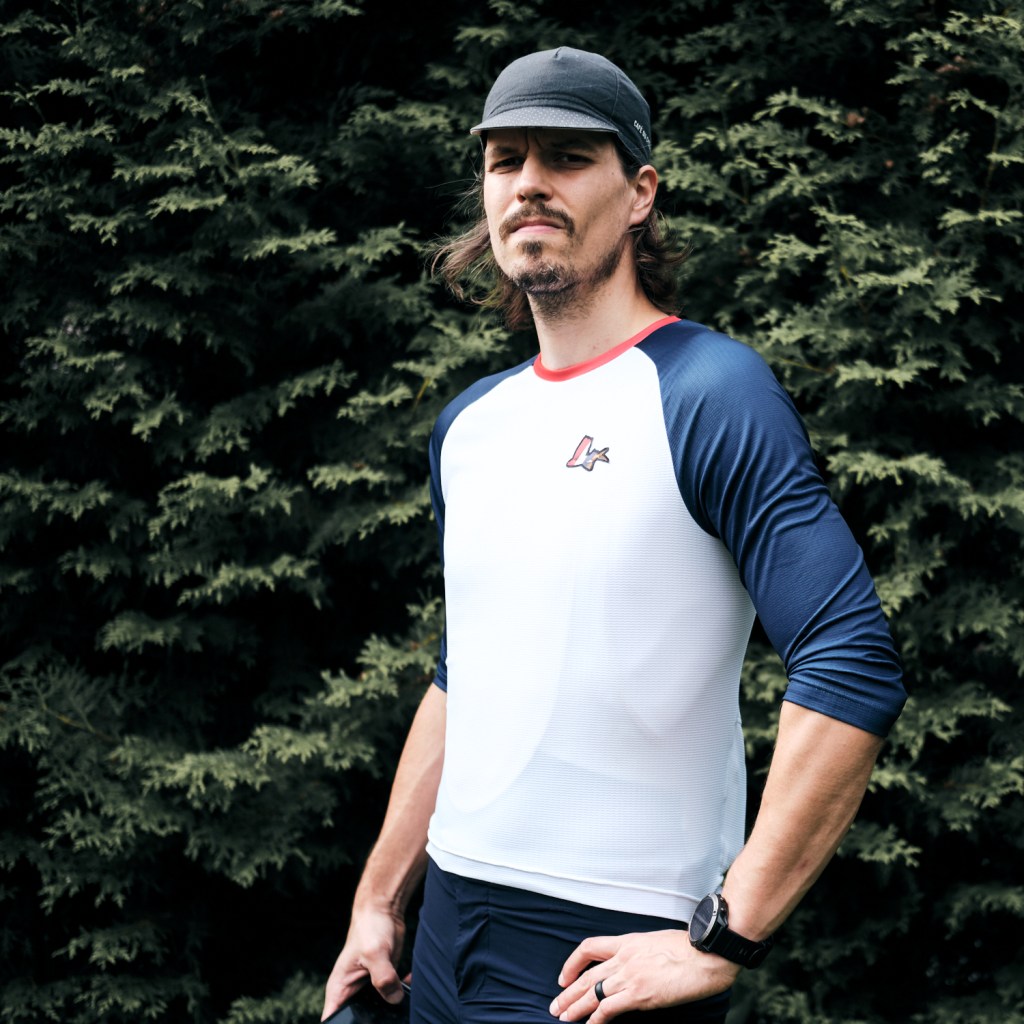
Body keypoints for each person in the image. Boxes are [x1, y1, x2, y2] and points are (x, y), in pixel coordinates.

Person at [322, 46, 905, 1024]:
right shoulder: (471, 425)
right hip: (445, 935)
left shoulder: (710, 393)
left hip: (601, 957)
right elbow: (466, 673)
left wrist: (726, 935)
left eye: (566, 156)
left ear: (639, 193)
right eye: (505, 160)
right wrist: (378, 903)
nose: (529, 183)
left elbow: (851, 662)